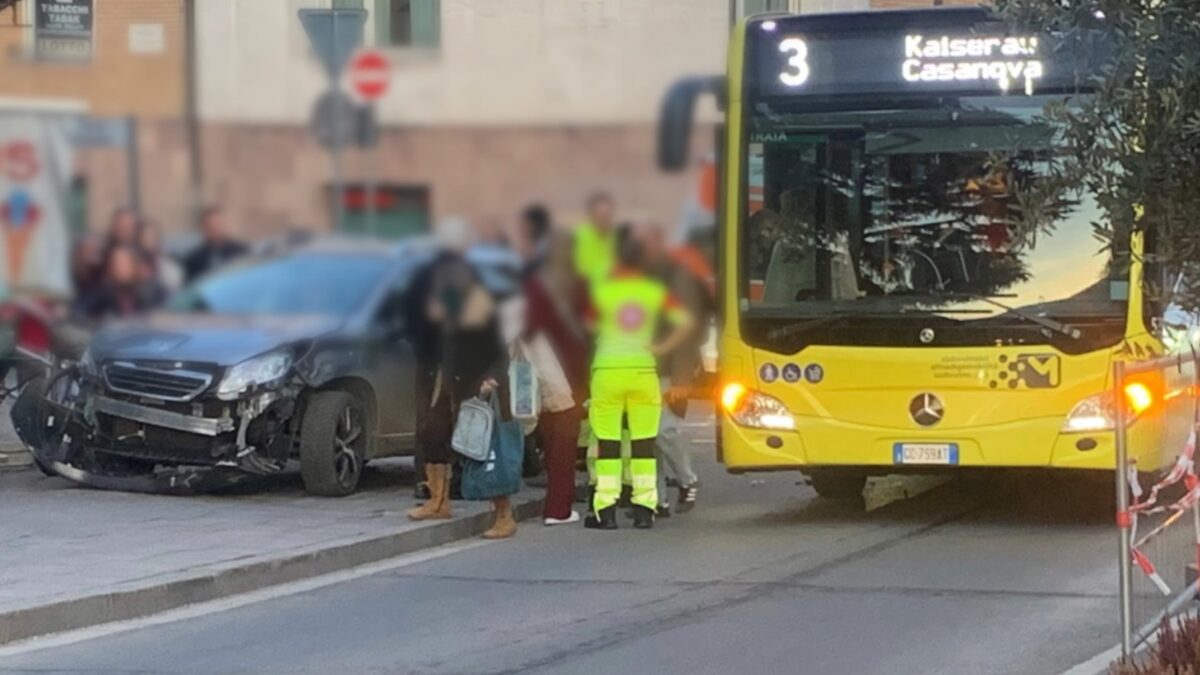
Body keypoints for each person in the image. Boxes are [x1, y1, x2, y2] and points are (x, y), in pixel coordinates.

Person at [408, 218, 517, 540]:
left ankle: (504, 514)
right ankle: (438, 501)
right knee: (433, 432)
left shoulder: (480, 300)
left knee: (486, 449)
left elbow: (498, 348)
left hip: (481, 383)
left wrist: (492, 379)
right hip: (455, 381)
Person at [584, 225, 694, 530]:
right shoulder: (653, 291)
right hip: (644, 371)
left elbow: (590, 327)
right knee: (644, 444)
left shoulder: (602, 290)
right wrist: (660, 346)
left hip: (607, 371)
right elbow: (684, 324)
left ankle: (604, 511)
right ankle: (645, 508)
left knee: (608, 444)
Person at [517, 204, 589, 526]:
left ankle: (555, 502)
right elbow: (591, 326)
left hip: (542, 370)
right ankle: (558, 508)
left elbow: (525, 326)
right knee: (565, 444)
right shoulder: (579, 284)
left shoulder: (534, 284)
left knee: (549, 441)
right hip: (571, 371)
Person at [642, 223, 713, 515]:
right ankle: (658, 498)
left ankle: (687, 479)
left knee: (664, 432)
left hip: (670, 369)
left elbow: (687, 329)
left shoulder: (678, 276)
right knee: (647, 436)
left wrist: (683, 378)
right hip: (641, 368)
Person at [183, 207, 247, 284]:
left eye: (218, 225)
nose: (215, 229)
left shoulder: (240, 252)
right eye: (211, 226)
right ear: (203, 228)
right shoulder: (194, 259)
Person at [573, 192, 618, 288]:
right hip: (588, 289)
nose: (604, 220)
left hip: (615, 289)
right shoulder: (579, 237)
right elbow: (579, 270)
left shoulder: (618, 237)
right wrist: (606, 272)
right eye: (600, 216)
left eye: (607, 216)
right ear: (591, 215)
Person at [138, 220, 184, 293]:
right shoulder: (133, 265)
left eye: (152, 236)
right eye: (144, 236)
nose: (148, 240)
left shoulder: (169, 267)